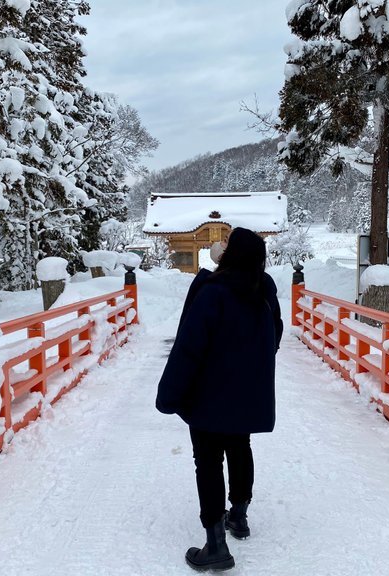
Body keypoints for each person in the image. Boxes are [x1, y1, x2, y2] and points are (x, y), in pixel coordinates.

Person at [156, 227, 284, 571]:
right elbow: (276, 333)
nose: (221, 245)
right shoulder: (264, 288)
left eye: (227, 243)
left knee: (208, 461)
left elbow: (189, 348)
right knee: (240, 447)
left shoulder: (213, 292)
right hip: (247, 389)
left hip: (209, 393)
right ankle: (238, 517)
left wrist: (169, 394)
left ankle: (215, 545)